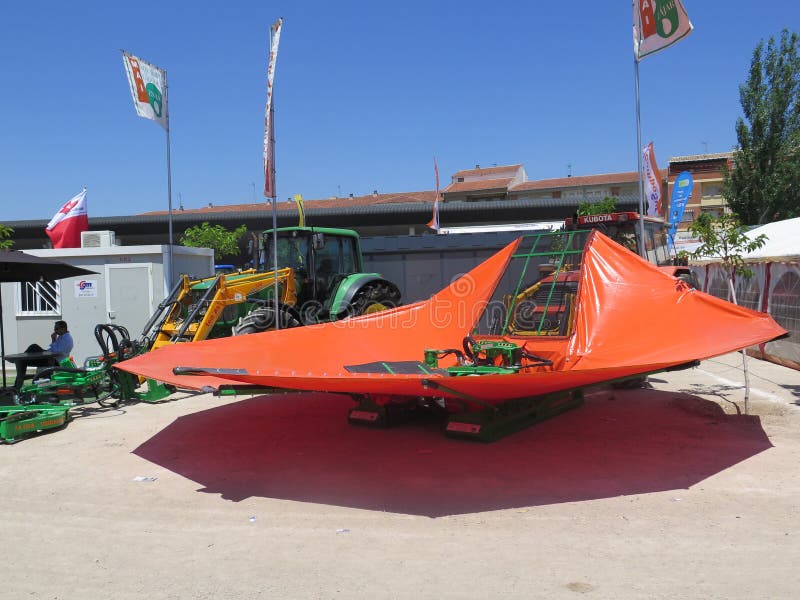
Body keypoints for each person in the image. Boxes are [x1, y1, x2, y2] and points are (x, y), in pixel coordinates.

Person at [13, 320, 74, 389]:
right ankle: (22, 360)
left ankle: (22, 359)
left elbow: (57, 352)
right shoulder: (61, 337)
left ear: (63, 329)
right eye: (54, 329)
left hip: (53, 360)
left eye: (56, 329)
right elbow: (54, 349)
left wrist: (53, 340)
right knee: (28, 354)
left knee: (34, 347)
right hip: (50, 356)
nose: (55, 331)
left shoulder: (67, 339)